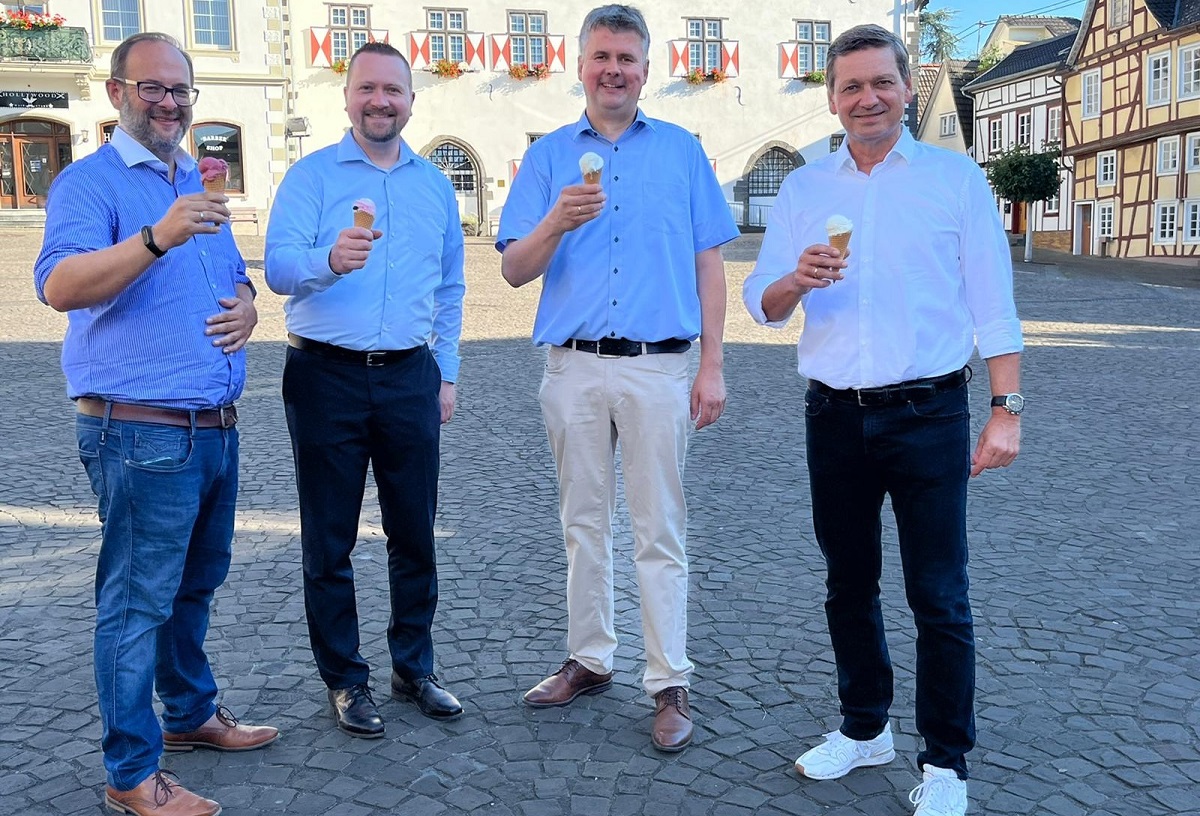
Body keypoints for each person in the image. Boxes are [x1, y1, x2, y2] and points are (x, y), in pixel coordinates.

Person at [742, 23, 1024, 816]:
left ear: (907, 88)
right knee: (847, 584)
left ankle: (945, 762)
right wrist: (795, 279)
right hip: (833, 414)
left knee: (939, 594)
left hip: (930, 411)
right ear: (832, 100)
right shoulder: (803, 191)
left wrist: (1004, 409)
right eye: (850, 86)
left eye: (881, 83)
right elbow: (761, 307)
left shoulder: (955, 180)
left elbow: (993, 305)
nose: (867, 98)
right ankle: (865, 727)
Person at [33, 31, 277, 816]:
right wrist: (154, 236)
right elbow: (60, 285)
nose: (170, 103)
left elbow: (233, 278)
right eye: (152, 89)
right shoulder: (90, 184)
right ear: (117, 95)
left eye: (181, 90)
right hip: (138, 431)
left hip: (213, 425)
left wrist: (249, 307)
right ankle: (131, 773)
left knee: (195, 586)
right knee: (136, 604)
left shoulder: (192, 180)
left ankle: (191, 715)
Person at [496, 4, 738, 753]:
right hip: (571, 366)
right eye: (601, 56)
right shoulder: (545, 160)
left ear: (645, 68)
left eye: (627, 59)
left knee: (659, 531)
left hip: (659, 366)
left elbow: (709, 261)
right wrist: (554, 224)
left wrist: (714, 366)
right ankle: (591, 658)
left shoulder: (681, 152)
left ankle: (669, 680)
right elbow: (512, 268)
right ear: (580, 64)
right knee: (583, 526)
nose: (614, 70)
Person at [265, 41, 466, 738]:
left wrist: (446, 369)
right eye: (368, 89)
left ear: (412, 100)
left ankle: (414, 667)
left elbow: (450, 286)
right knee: (330, 538)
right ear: (346, 97)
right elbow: (279, 270)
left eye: (394, 90)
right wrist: (327, 260)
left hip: (411, 377)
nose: (381, 101)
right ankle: (347, 681)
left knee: (415, 532)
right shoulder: (311, 177)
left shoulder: (435, 185)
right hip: (325, 375)